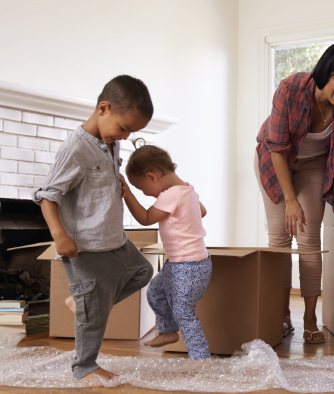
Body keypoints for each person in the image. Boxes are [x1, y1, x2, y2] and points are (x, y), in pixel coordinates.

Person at [34, 75, 155, 382]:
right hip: (86, 245)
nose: (126, 136)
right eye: (124, 128)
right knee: (93, 312)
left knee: (142, 272)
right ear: (103, 109)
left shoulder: (108, 142)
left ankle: (84, 304)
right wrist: (60, 236)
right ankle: (84, 366)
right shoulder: (75, 149)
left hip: (115, 239)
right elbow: (48, 196)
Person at [255, 43, 334, 344]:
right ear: (324, 73)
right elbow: (277, 148)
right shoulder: (291, 89)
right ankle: (281, 314)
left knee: (308, 240)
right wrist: (290, 200)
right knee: (280, 238)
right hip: (274, 159)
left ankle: (309, 316)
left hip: (313, 165)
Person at [120, 145, 212, 362]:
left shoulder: (170, 195)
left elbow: (144, 218)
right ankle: (168, 331)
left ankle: (201, 359)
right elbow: (203, 211)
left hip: (188, 266)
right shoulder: (187, 189)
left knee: (183, 311)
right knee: (155, 291)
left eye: (142, 189)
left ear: (152, 177)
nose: (145, 194)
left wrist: (128, 194)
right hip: (184, 264)